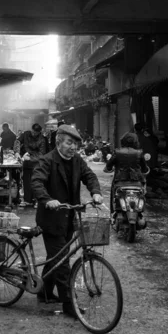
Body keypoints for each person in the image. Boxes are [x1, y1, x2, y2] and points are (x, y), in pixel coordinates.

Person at [31, 125, 103, 316]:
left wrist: (95, 192)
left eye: (76, 144)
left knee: (55, 257)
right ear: (59, 142)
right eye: (69, 143)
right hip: (51, 219)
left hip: (70, 216)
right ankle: (69, 303)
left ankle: (45, 292)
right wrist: (47, 200)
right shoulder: (47, 161)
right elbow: (36, 182)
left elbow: (89, 176)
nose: (73, 148)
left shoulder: (77, 160)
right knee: (62, 262)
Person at [104, 133, 149, 228]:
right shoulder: (139, 152)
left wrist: (109, 168)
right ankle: (140, 212)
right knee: (142, 194)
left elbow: (108, 166)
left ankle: (113, 214)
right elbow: (144, 169)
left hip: (120, 181)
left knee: (114, 195)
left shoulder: (117, 152)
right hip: (137, 182)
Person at [15, 123, 47, 207]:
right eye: (33, 132)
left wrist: (30, 158)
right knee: (26, 181)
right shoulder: (26, 134)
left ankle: (37, 201)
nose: (33, 134)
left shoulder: (42, 139)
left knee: (36, 182)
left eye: (35, 133)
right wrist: (17, 152)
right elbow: (17, 141)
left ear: (39, 132)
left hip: (37, 163)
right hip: (26, 162)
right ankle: (27, 200)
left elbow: (41, 154)